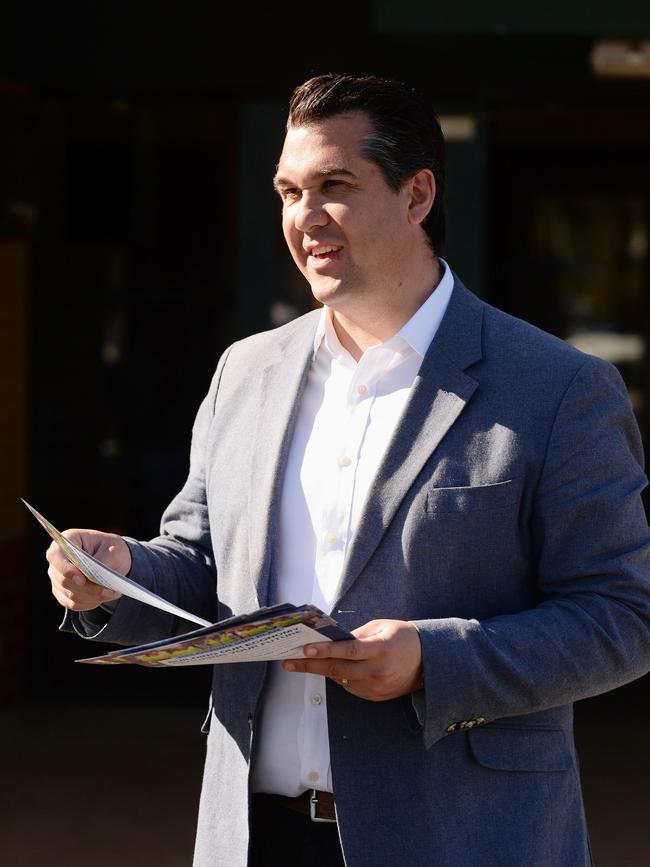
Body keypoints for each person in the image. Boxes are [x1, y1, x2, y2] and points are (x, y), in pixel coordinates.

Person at [47, 73, 650, 867]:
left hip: (459, 836)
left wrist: (436, 659)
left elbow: (621, 616)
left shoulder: (558, 386)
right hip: (252, 836)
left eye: (335, 185)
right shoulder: (246, 370)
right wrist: (117, 571)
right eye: (290, 191)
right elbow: (200, 565)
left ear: (418, 194)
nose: (304, 218)